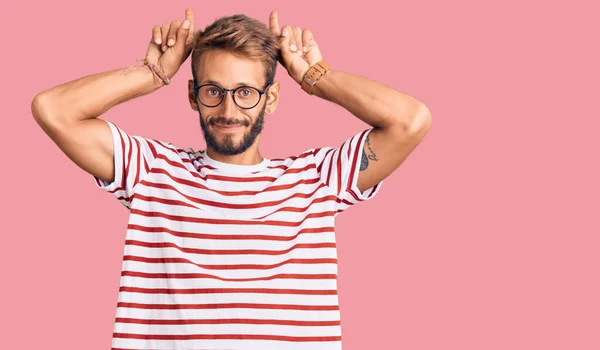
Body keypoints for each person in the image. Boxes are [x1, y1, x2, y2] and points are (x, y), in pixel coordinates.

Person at [31, 8, 431, 350]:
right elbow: (54, 110)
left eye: (245, 92)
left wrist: (314, 76)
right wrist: (151, 73)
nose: (228, 109)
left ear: (269, 99)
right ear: (192, 95)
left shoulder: (317, 178)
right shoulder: (152, 169)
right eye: (213, 91)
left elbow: (410, 121)